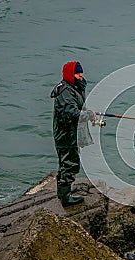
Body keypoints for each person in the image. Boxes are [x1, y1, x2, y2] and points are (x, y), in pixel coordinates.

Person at [50, 61, 94, 207]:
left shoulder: (73, 87)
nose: (80, 76)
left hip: (69, 133)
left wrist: (88, 114)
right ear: (70, 74)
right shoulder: (66, 92)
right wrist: (87, 115)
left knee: (66, 162)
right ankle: (65, 197)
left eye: (81, 74)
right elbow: (71, 112)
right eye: (77, 74)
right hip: (66, 134)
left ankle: (63, 190)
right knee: (70, 163)